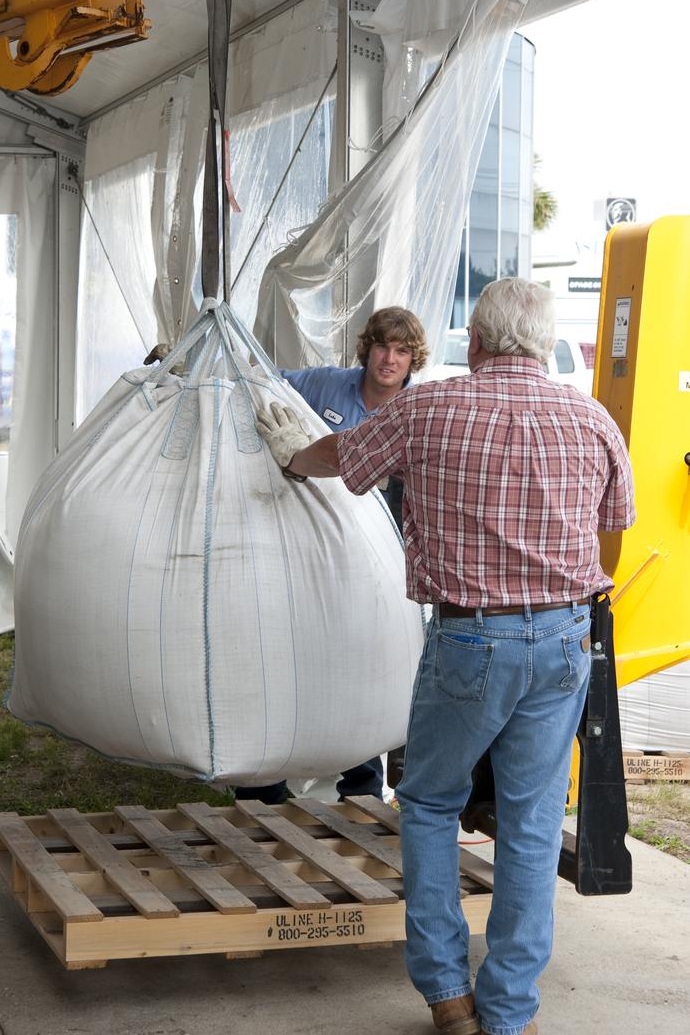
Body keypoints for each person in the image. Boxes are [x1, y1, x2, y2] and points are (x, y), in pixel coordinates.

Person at [255, 278, 635, 1035]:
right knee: (528, 824)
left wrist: (292, 457)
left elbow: (345, 458)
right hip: (565, 639)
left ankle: (445, 994)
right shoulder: (591, 416)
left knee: (429, 804)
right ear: (538, 340)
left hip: (470, 638)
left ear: (478, 341)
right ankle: (507, 1012)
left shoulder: (428, 408)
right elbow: (613, 517)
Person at [235, 305, 428, 807]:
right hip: (299, 547)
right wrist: (208, 365)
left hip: (376, 561)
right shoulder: (323, 386)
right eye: (383, 347)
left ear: (413, 361)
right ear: (368, 349)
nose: (390, 359)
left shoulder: (417, 409)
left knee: (362, 660)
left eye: (402, 352)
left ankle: (362, 789)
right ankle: (263, 783)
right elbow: (257, 381)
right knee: (279, 651)